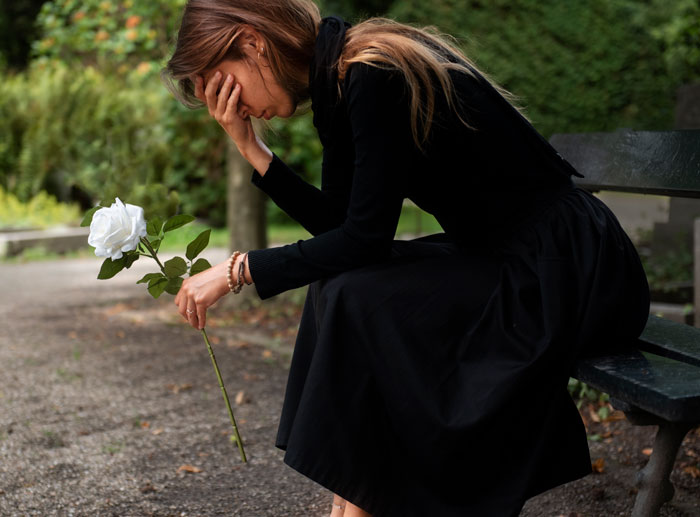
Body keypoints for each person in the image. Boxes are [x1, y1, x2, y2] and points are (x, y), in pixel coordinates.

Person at [164, 1, 650, 515]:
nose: (231, 105)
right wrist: (249, 145)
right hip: (508, 253)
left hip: (569, 268)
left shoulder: (374, 72)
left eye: (225, 83)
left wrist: (240, 270)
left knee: (359, 294)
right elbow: (339, 227)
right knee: (344, 286)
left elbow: (364, 238)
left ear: (252, 42)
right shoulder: (342, 80)